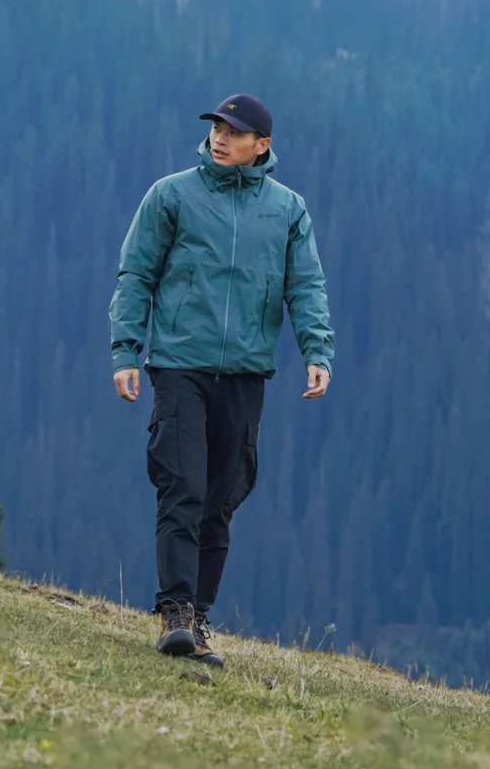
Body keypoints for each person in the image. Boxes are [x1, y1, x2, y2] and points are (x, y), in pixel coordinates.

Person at [109, 93, 334, 667]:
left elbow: (305, 286)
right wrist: (126, 350)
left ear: (262, 145)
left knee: (220, 501)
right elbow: (136, 273)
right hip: (180, 365)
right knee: (181, 486)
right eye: (215, 126)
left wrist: (317, 350)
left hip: (246, 374)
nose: (219, 136)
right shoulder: (172, 195)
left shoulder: (287, 210)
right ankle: (175, 612)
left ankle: (199, 619)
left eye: (233, 130)